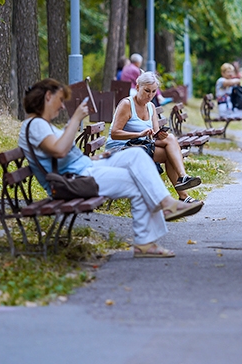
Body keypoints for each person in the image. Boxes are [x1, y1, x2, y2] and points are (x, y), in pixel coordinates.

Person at [19, 79, 203, 258]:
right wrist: (75, 119)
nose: (61, 107)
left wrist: (94, 157)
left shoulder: (40, 125)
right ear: (48, 97)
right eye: (60, 101)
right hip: (72, 179)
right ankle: (151, 232)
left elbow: (63, 154)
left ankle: (163, 212)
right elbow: (59, 151)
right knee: (138, 180)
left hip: (84, 169)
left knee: (137, 155)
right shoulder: (35, 125)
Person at [106, 71, 203, 203]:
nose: (150, 95)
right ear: (137, 87)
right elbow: (115, 133)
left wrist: (160, 135)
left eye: (153, 91)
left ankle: (183, 185)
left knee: (170, 140)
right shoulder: (127, 104)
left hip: (142, 145)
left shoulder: (151, 106)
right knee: (170, 152)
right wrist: (139, 134)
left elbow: (155, 135)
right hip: (120, 148)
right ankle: (183, 188)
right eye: (147, 91)